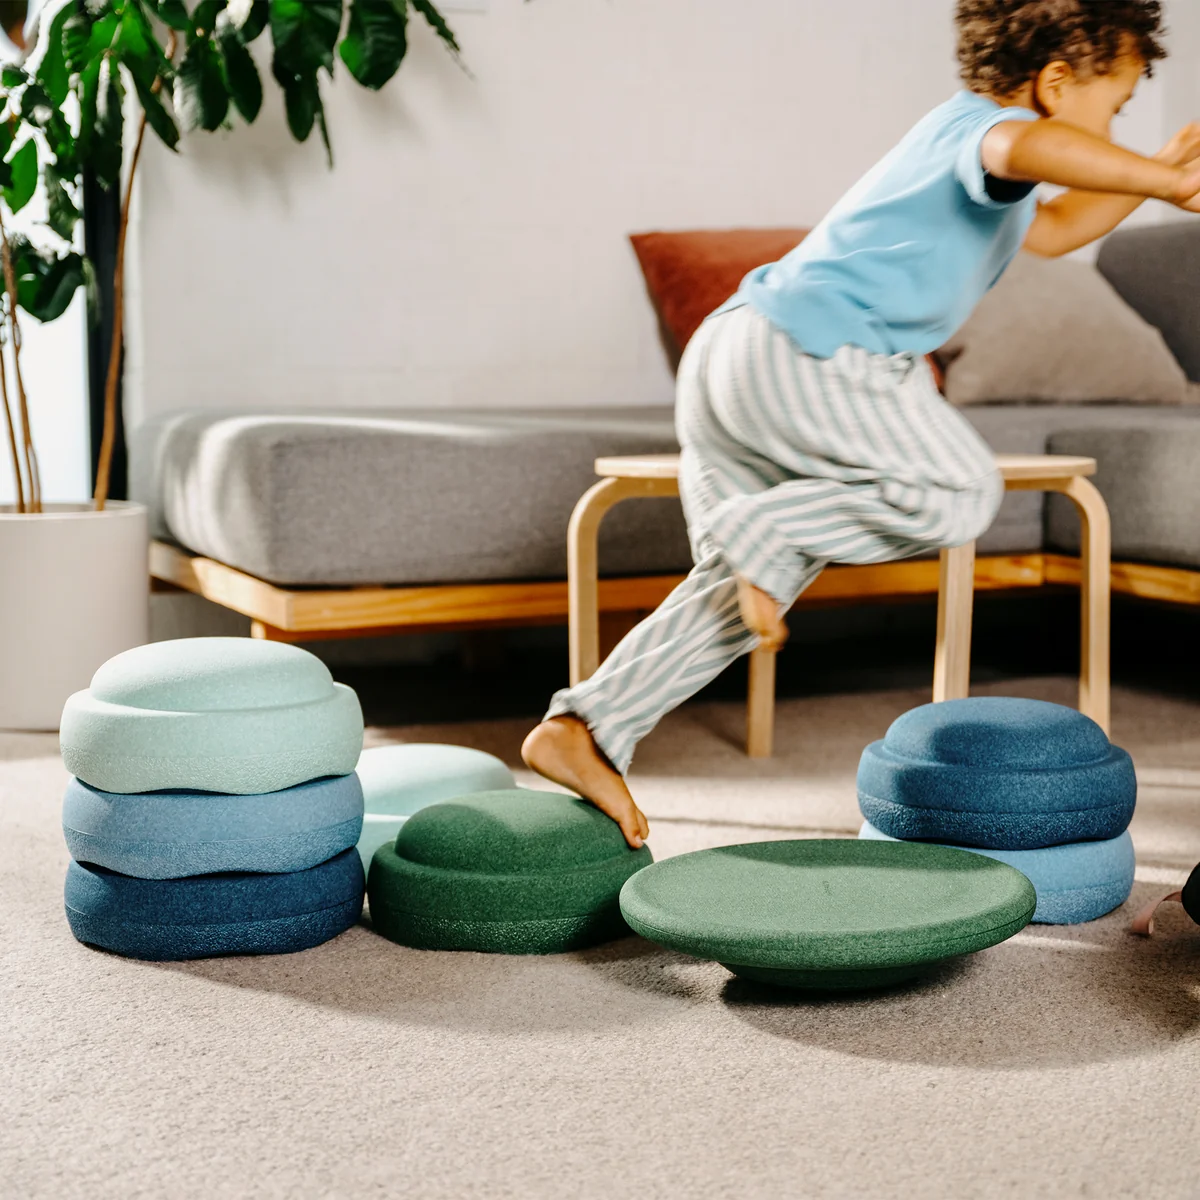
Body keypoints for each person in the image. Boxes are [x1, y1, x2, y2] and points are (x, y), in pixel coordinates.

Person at [523, 0, 1200, 849]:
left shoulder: (974, 156)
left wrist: (1155, 180)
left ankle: (587, 726)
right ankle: (759, 529)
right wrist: (1156, 177)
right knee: (958, 491)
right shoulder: (986, 132)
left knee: (740, 597)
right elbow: (1025, 148)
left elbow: (1059, 226)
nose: (1115, 130)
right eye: (1118, 105)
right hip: (815, 352)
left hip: (741, 351)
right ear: (1057, 82)